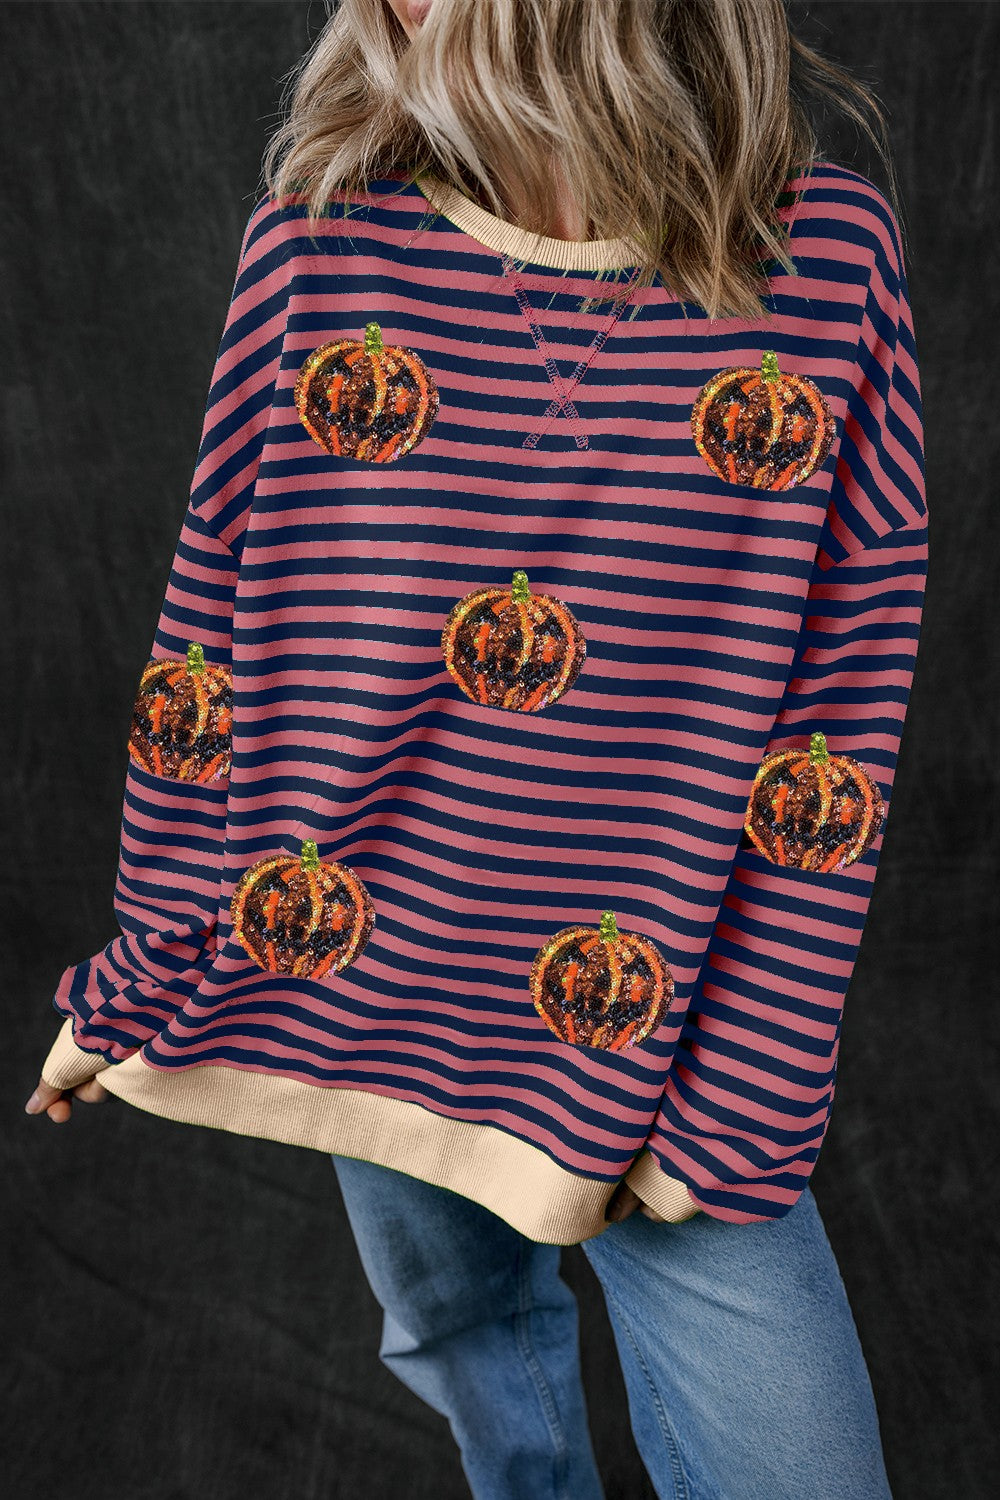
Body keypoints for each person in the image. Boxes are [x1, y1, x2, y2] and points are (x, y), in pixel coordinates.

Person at [26, 2, 928, 1495]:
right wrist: (148, 964)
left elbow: (839, 712)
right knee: (469, 1359)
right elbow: (206, 655)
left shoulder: (823, 261)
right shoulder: (318, 243)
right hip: (354, 969)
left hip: (654, 1028)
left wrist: (749, 1080)